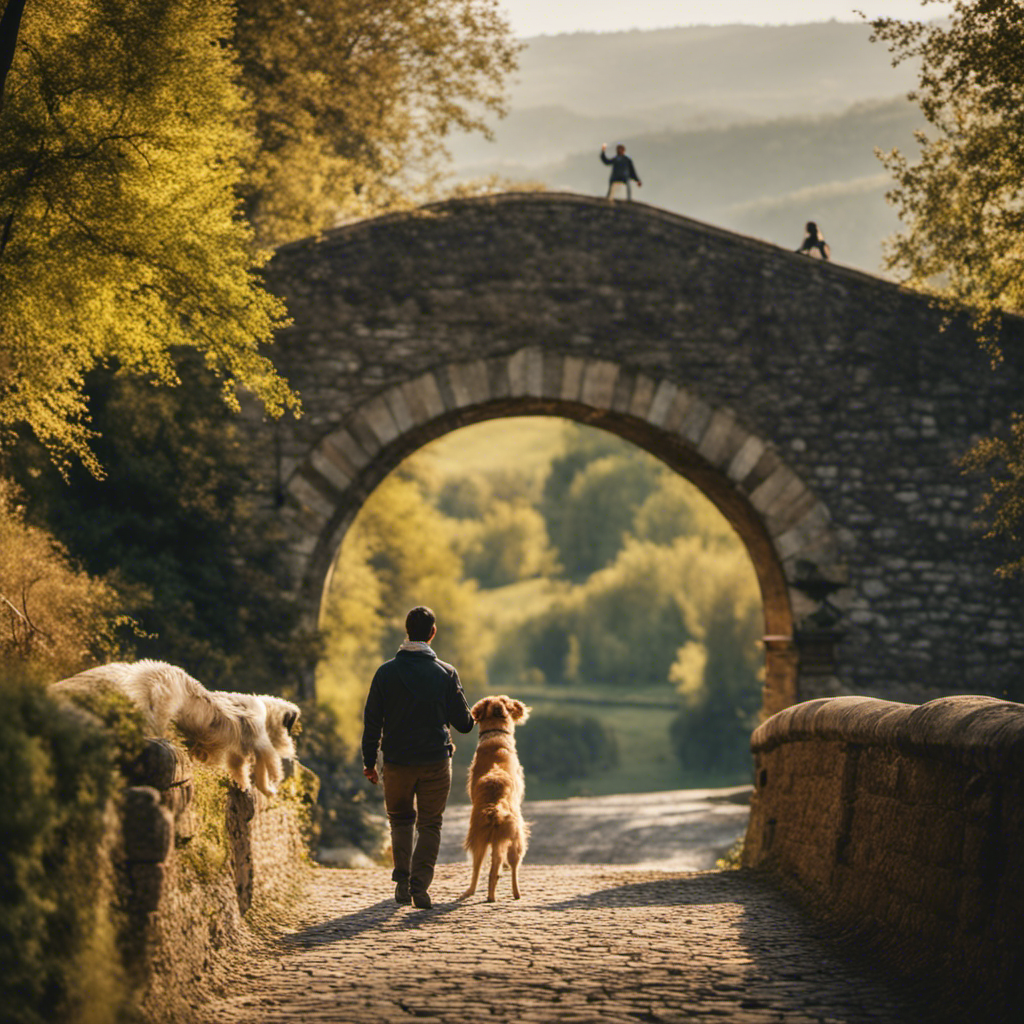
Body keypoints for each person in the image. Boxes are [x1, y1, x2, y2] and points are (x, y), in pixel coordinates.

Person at [362, 605, 474, 909]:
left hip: (397, 762)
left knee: (400, 820)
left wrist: (369, 761)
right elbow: (464, 724)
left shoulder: (385, 673)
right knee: (430, 824)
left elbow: (372, 720)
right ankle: (420, 887)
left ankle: (401, 882)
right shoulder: (446, 672)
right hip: (436, 761)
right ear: (432, 633)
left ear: (406, 631)